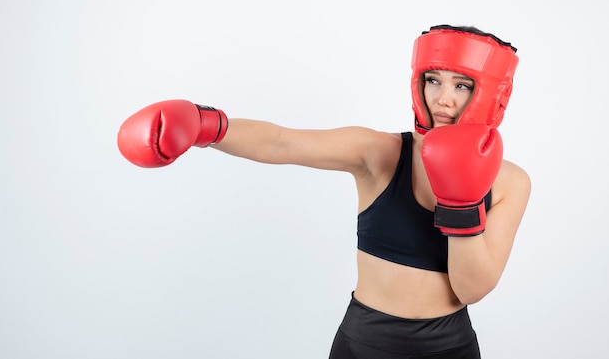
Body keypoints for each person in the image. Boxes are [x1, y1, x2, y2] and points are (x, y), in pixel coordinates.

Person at [116, 24, 531, 358]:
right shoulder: (380, 153)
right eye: (433, 80)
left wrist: (461, 200)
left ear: (491, 95)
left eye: (462, 85)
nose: (443, 99)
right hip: (364, 341)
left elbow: (471, 289)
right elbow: (282, 141)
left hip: (447, 346)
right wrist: (205, 125)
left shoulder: (511, 182)